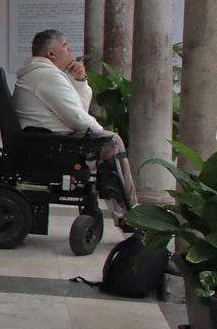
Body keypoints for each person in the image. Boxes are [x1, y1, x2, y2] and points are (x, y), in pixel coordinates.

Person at [13, 30, 138, 211]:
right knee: (112, 142)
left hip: (44, 141)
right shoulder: (48, 76)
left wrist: (80, 81)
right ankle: (129, 211)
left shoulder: (41, 74)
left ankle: (123, 211)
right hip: (51, 145)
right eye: (65, 46)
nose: (70, 50)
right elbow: (79, 120)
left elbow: (79, 110)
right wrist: (101, 132)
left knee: (108, 141)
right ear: (51, 54)